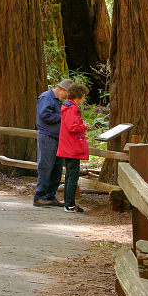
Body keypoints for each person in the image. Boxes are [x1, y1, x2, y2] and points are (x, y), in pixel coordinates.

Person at [33, 78, 73, 207]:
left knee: (57, 167)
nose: (67, 97)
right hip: (47, 137)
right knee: (46, 166)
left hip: (58, 137)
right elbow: (44, 115)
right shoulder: (46, 97)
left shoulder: (58, 101)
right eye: (67, 94)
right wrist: (63, 117)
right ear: (61, 89)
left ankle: (50, 196)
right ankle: (39, 196)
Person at [57, 82, 90, 213]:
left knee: (70, 175)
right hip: (72, 147)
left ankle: (68, 203)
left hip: (69, 146)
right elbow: (72, 127)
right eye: (83, 97)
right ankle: (70, 204)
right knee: (72, 176)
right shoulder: (71, 109)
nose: (84, 99)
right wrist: (84, 126)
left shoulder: (68, 107)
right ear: (78, 96)